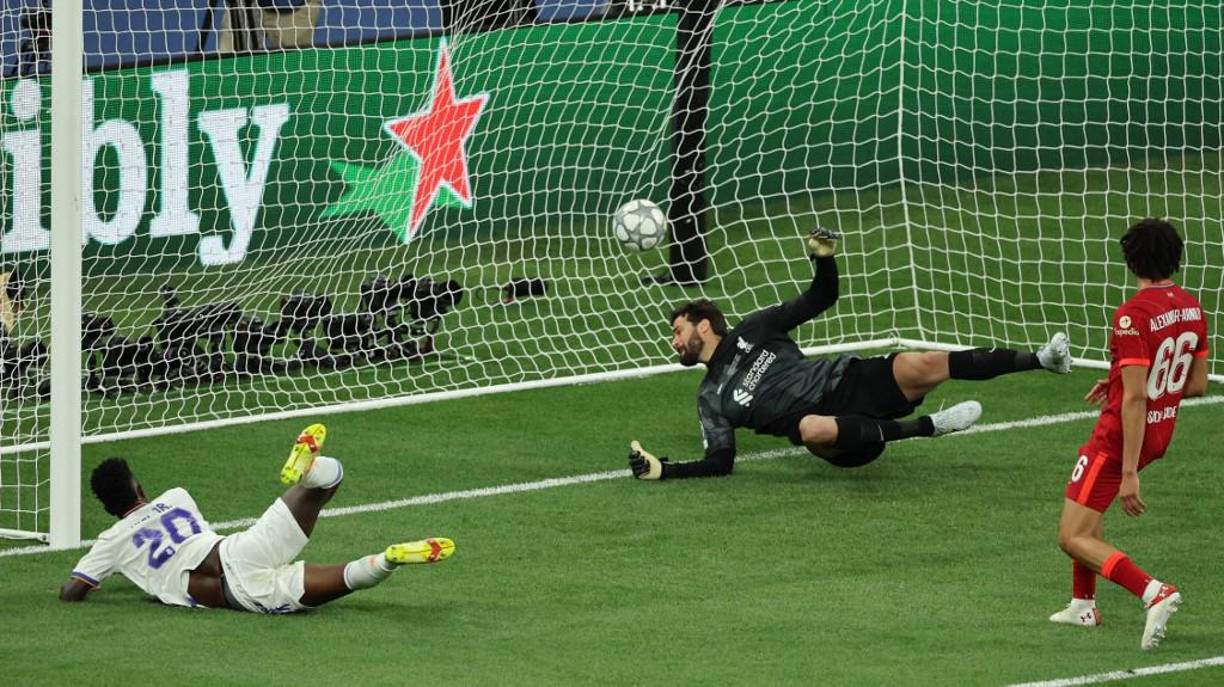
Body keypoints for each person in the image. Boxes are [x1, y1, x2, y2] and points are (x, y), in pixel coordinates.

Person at [628, 227, 1073, 480]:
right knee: (809, 426)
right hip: (835, 441)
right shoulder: (709, 398)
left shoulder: (756, 328)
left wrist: (823, 259)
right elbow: (720, 462)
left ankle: (1041, 359)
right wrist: (664, 470)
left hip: (847, 380)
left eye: (678, 330)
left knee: (922, 361)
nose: (674, 340)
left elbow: (821, 298)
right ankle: (928, 427)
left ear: (703, 325)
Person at [59, 424, 454, 613]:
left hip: (237, 594)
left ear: (110, 507)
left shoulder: (111, 540)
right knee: (328, 483)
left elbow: (72, 591)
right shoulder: (177, 496)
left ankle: (386, 560)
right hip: (240, 548)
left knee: (343, 579)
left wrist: (105, 575)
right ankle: (310, 471)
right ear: (141, 489)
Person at [1048, 218, 1209, 650]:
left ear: (1130, 260)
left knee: (1071, 536)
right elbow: (1195, 385)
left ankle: (1153, 591)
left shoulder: (1131, 316)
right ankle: (1083, 605)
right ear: (1175, 258)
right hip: (1160, 433)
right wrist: (1122, 380)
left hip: (1121, 437)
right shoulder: (1193, 308)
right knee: (1087, 510)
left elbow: (1137, 398)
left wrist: (1128, 472)